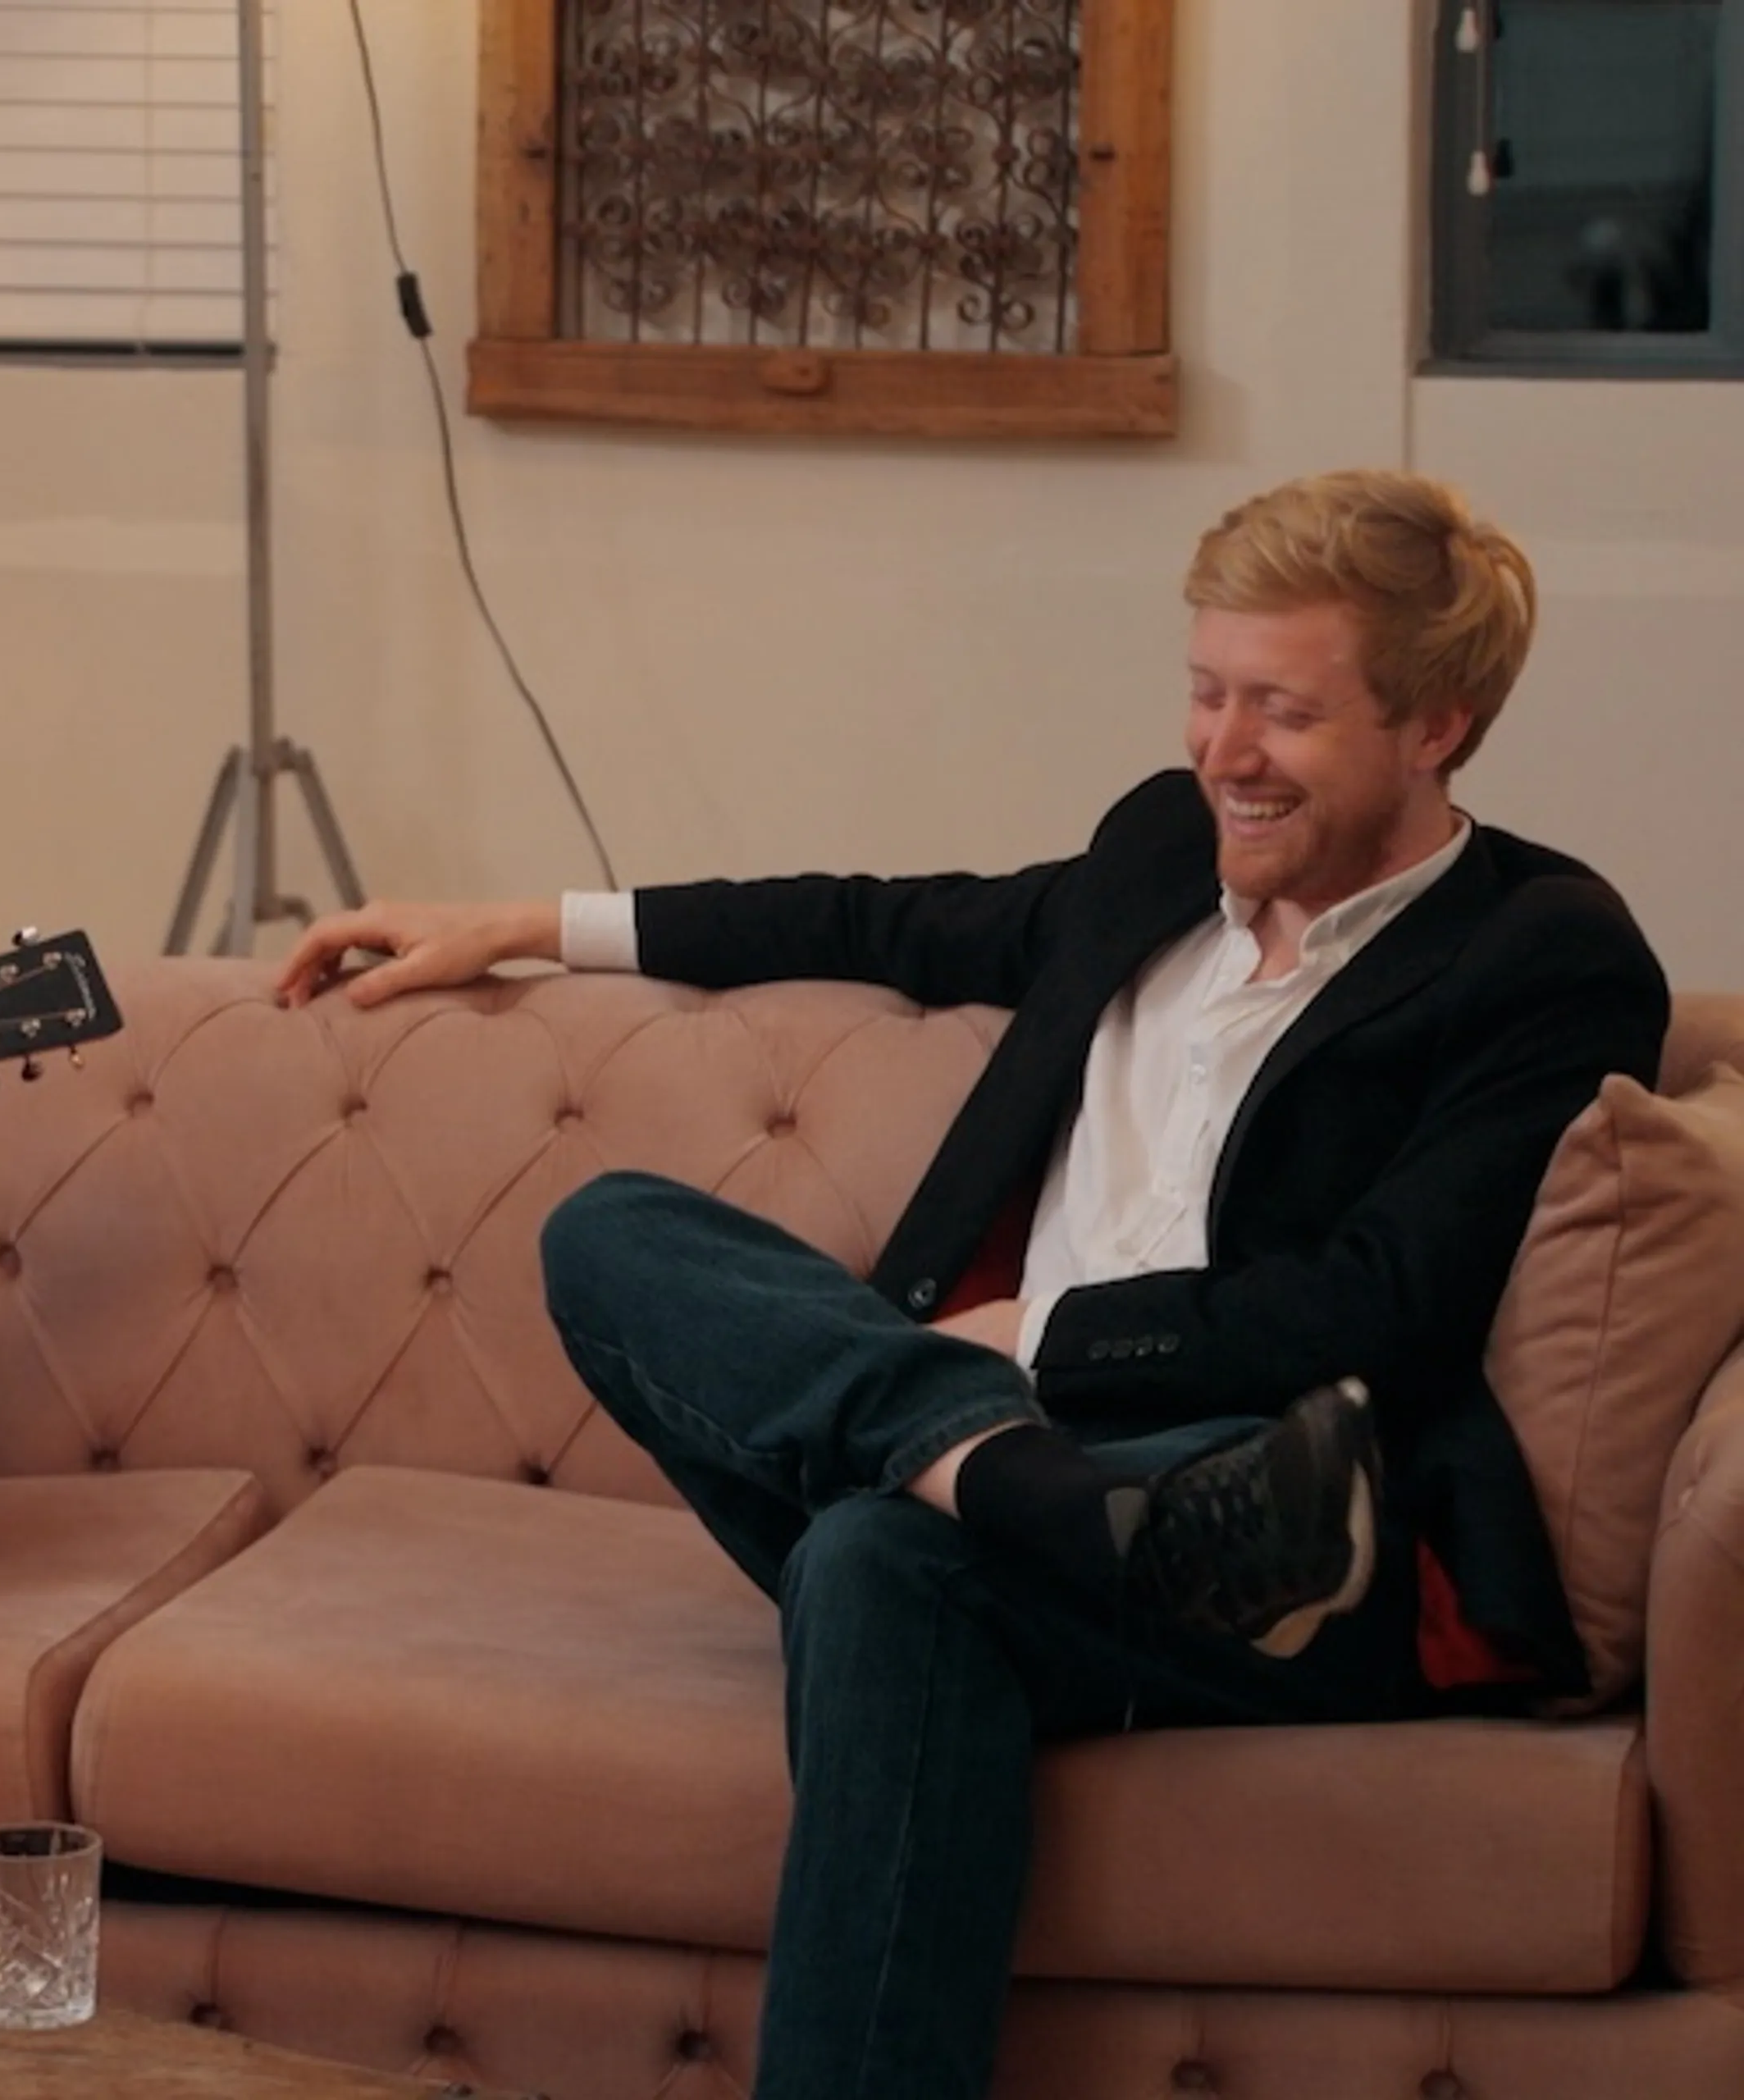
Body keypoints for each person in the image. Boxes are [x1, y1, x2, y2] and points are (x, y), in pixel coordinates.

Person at [273, 468, 1668, 2100]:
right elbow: (892, 921)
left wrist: (1045, 1340)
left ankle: (979, 1472)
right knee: (608, 1231)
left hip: (1279, 1512)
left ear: (1437, 725)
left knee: (879, 1554)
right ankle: (1009, 1482)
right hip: (1028, 1462)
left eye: (1283, 712)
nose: (1223, 750)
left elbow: (1380, 1305)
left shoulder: (1541, 952)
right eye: (1207, 690)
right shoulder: (1166, 848)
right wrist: (524, 920)